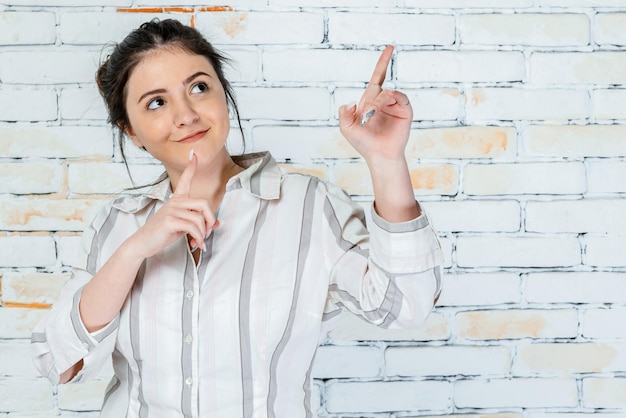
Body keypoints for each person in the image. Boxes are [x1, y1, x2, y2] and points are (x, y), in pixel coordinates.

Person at [31, 18, 442, 418]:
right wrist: (135, 249)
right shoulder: (117, 222)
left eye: (199, 87)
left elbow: (405, 306)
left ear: (223, 95)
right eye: (156, 102)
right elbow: (61, 362)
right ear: (132, 131)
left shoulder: (309, 207)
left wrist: (386, 162)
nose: (186, 113)